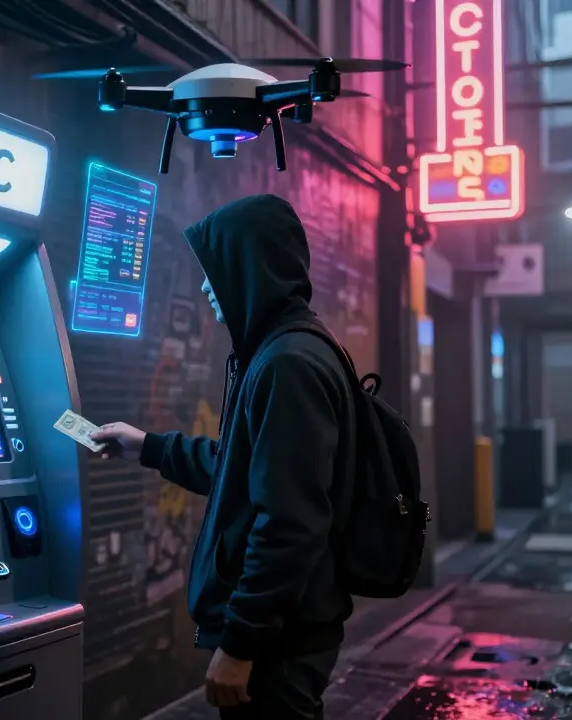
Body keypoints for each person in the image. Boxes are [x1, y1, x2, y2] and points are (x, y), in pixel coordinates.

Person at [91, 194, 356, 720]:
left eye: (217, 271)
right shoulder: (283, 351)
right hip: (286, 629)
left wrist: (240, 645)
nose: (207, 287)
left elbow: (289, 523)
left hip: (278, 640)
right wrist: (149, 447)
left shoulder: (287, 365)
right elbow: (244, 469)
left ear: (250, 269)